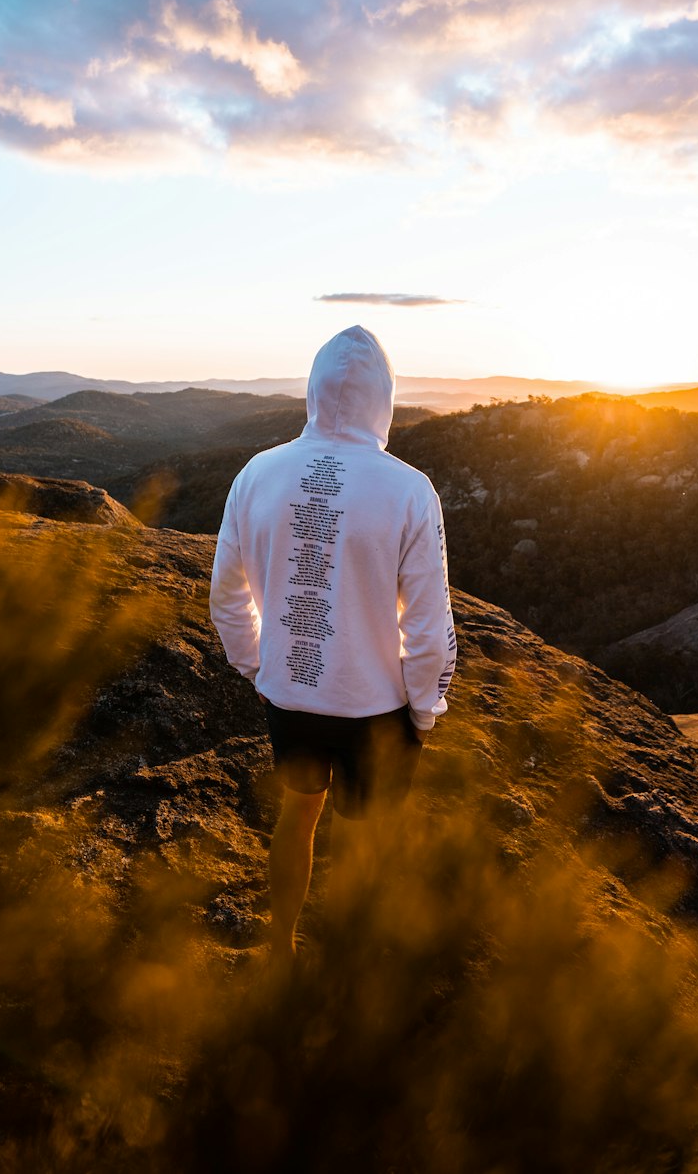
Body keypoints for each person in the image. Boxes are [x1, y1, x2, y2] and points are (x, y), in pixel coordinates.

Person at [209, 325, 456, 959]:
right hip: (375, 708)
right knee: (373, 843)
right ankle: (357, 972)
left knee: (298, 816)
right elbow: (428, 623)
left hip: (287, 696)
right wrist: (425, 710)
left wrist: (257, 665)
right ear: (385, 398)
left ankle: (283, 947)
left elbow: (227, 594)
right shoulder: (408, 488)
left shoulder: (256, 473)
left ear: (313, 389)